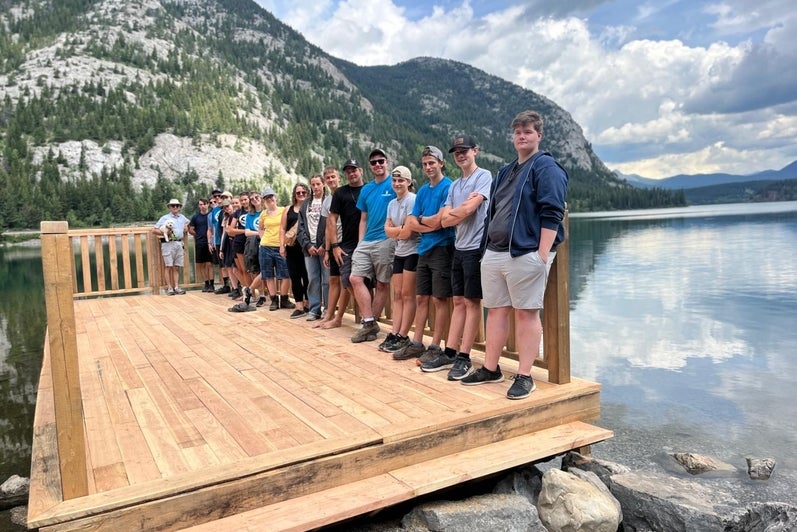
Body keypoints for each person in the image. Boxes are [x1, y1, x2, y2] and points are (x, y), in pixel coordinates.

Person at [460, 110, 568, 400]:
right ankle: (491, 368)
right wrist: (484, 251)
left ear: (539, 135)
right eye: (518, 132)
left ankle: (524, 376)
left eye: (528, 132)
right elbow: (493, 212)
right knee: (494, 312)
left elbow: (553, 211)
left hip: (525, 253)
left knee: (526, 313)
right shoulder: (506, 172)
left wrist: (542, 254)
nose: (522, 136)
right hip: (495, 252)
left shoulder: (546, 167)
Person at [421, 135, 493, 380]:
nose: (461, 155)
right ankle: (451, 352)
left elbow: (467, 211)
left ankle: (465, 357)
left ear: (475, 150)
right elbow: (444, 219)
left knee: (472, 303)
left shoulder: (483, 176)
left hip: (475, 248)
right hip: (459, 248)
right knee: (459, 302)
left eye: (465, 150)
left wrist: (457, 212)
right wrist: (457, 212)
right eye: (457, 152)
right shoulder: (455, 186)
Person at [392, 146, 454, 361]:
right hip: (424, 249)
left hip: (443, 248)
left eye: (432, 163)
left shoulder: (448, 187)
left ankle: (436, 346)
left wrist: (425, 221)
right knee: (421, 298)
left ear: (441, 163)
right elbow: (411, 222)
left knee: (439, 299)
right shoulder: (424, 191)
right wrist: (431, 223)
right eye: (425, 164)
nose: (428, 167)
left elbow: (441, 220)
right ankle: (417, 343)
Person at [348, 148, 397, 343]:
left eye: (381, 161)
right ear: (369, 166)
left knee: (382, 283)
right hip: (367, 240)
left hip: (387, 239)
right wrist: (360, 242)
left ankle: (370, 325)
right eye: (374, 162)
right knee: (355, 278)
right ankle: (369, 321)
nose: (378, 165)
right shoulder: (367, 189)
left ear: (387, 163)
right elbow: (363, 218)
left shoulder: (395, 183)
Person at [380, 166, 419, 353]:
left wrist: (397, 230)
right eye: (394, 180)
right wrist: (398, 230)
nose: (397, 183)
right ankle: (395, 332)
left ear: (409, 182)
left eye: (401, 180)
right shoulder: (391, 204)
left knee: (407, 294)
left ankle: (403, 335)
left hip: (413, 251)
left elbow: (408, 233)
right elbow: (387, 230)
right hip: (399, 252)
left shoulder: (413, 200)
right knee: (398, 294)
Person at [322, 159, 364, 329]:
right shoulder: (339, 194)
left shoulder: (368, 189)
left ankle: (367, 319)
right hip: (343, 244)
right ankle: (336, 316)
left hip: (366, 242)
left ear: (360, 170)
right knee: (346, 280)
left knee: (363, 282)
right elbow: (330, 222)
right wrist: (331, 247)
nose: (352, 173)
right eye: (348, 171)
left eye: (354, 170)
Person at [316, 165, 351, 329]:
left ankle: (339, 317)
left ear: (339, 178)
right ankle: (329, 314)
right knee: (333, 279)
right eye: (328, 178)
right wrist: (327, 250)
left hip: (346, 243)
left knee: (345, 282)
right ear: (325, 182)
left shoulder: (346, 193)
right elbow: (328, 227)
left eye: (333, 177)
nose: (331, 180)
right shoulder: (327, 201)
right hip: (334, 244)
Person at [258, 187, 294, 311]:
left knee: (286, 273)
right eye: (267, 198)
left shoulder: (284, 210)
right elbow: (260, 228)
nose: (270, 199)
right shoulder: (263, 214)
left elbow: (288, 226)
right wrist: (262, 239)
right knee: (268, 275)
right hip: (265, 247)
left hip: (281, 246)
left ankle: (284, 299)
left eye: (271, 196)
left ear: (275, 197)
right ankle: (274, 299)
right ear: (264, 201)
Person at [298, 174, 328, 321]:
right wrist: (307, 244)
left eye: (318, 184)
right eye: (313, 184)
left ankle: (328, 309)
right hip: (309, 248)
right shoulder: (305, 204)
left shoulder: (328, 201)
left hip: (324, 248)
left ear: (323, 185)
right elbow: (300, 227)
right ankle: (314, 309)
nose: (315, 187)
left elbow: (332, 225)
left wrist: (324, 245)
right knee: (313, 279)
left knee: (327, 280)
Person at [281, 182, 310, 318]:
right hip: (292, 248)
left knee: (308, 276)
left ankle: (308, 303)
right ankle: (299, 305)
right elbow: (282, 228)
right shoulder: (288, 209)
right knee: (294, 276)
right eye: (298, 193)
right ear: (294, 194)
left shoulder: (310, 208)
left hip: (307, 247)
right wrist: (281, 246)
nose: (301, 195)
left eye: (303, 192)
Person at [153, 198, 190, 295]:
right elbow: (154, 230)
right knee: (168, 266)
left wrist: (187, 226)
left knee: (176, 267)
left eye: (177, 206)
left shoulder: (182, 217)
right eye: (173, 206)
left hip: (179, 243)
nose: (175, 207)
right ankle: (169, 288)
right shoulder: (164, 218)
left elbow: (189, 223)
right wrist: (166, 232)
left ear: (179, 207)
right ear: (169, 207)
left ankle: (177, 287)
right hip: (168, 243)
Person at [188, 198, 214, 292]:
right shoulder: (195, 217)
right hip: (200, 242)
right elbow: (191, 229)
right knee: (201, 264)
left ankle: (212, 284)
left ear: (207, 205)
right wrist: (196, 234)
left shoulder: (211, 215)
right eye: (200, 204)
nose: (202, 206)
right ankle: (206, 283)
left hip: (210, 242)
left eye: (204, 204)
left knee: (209, 263)